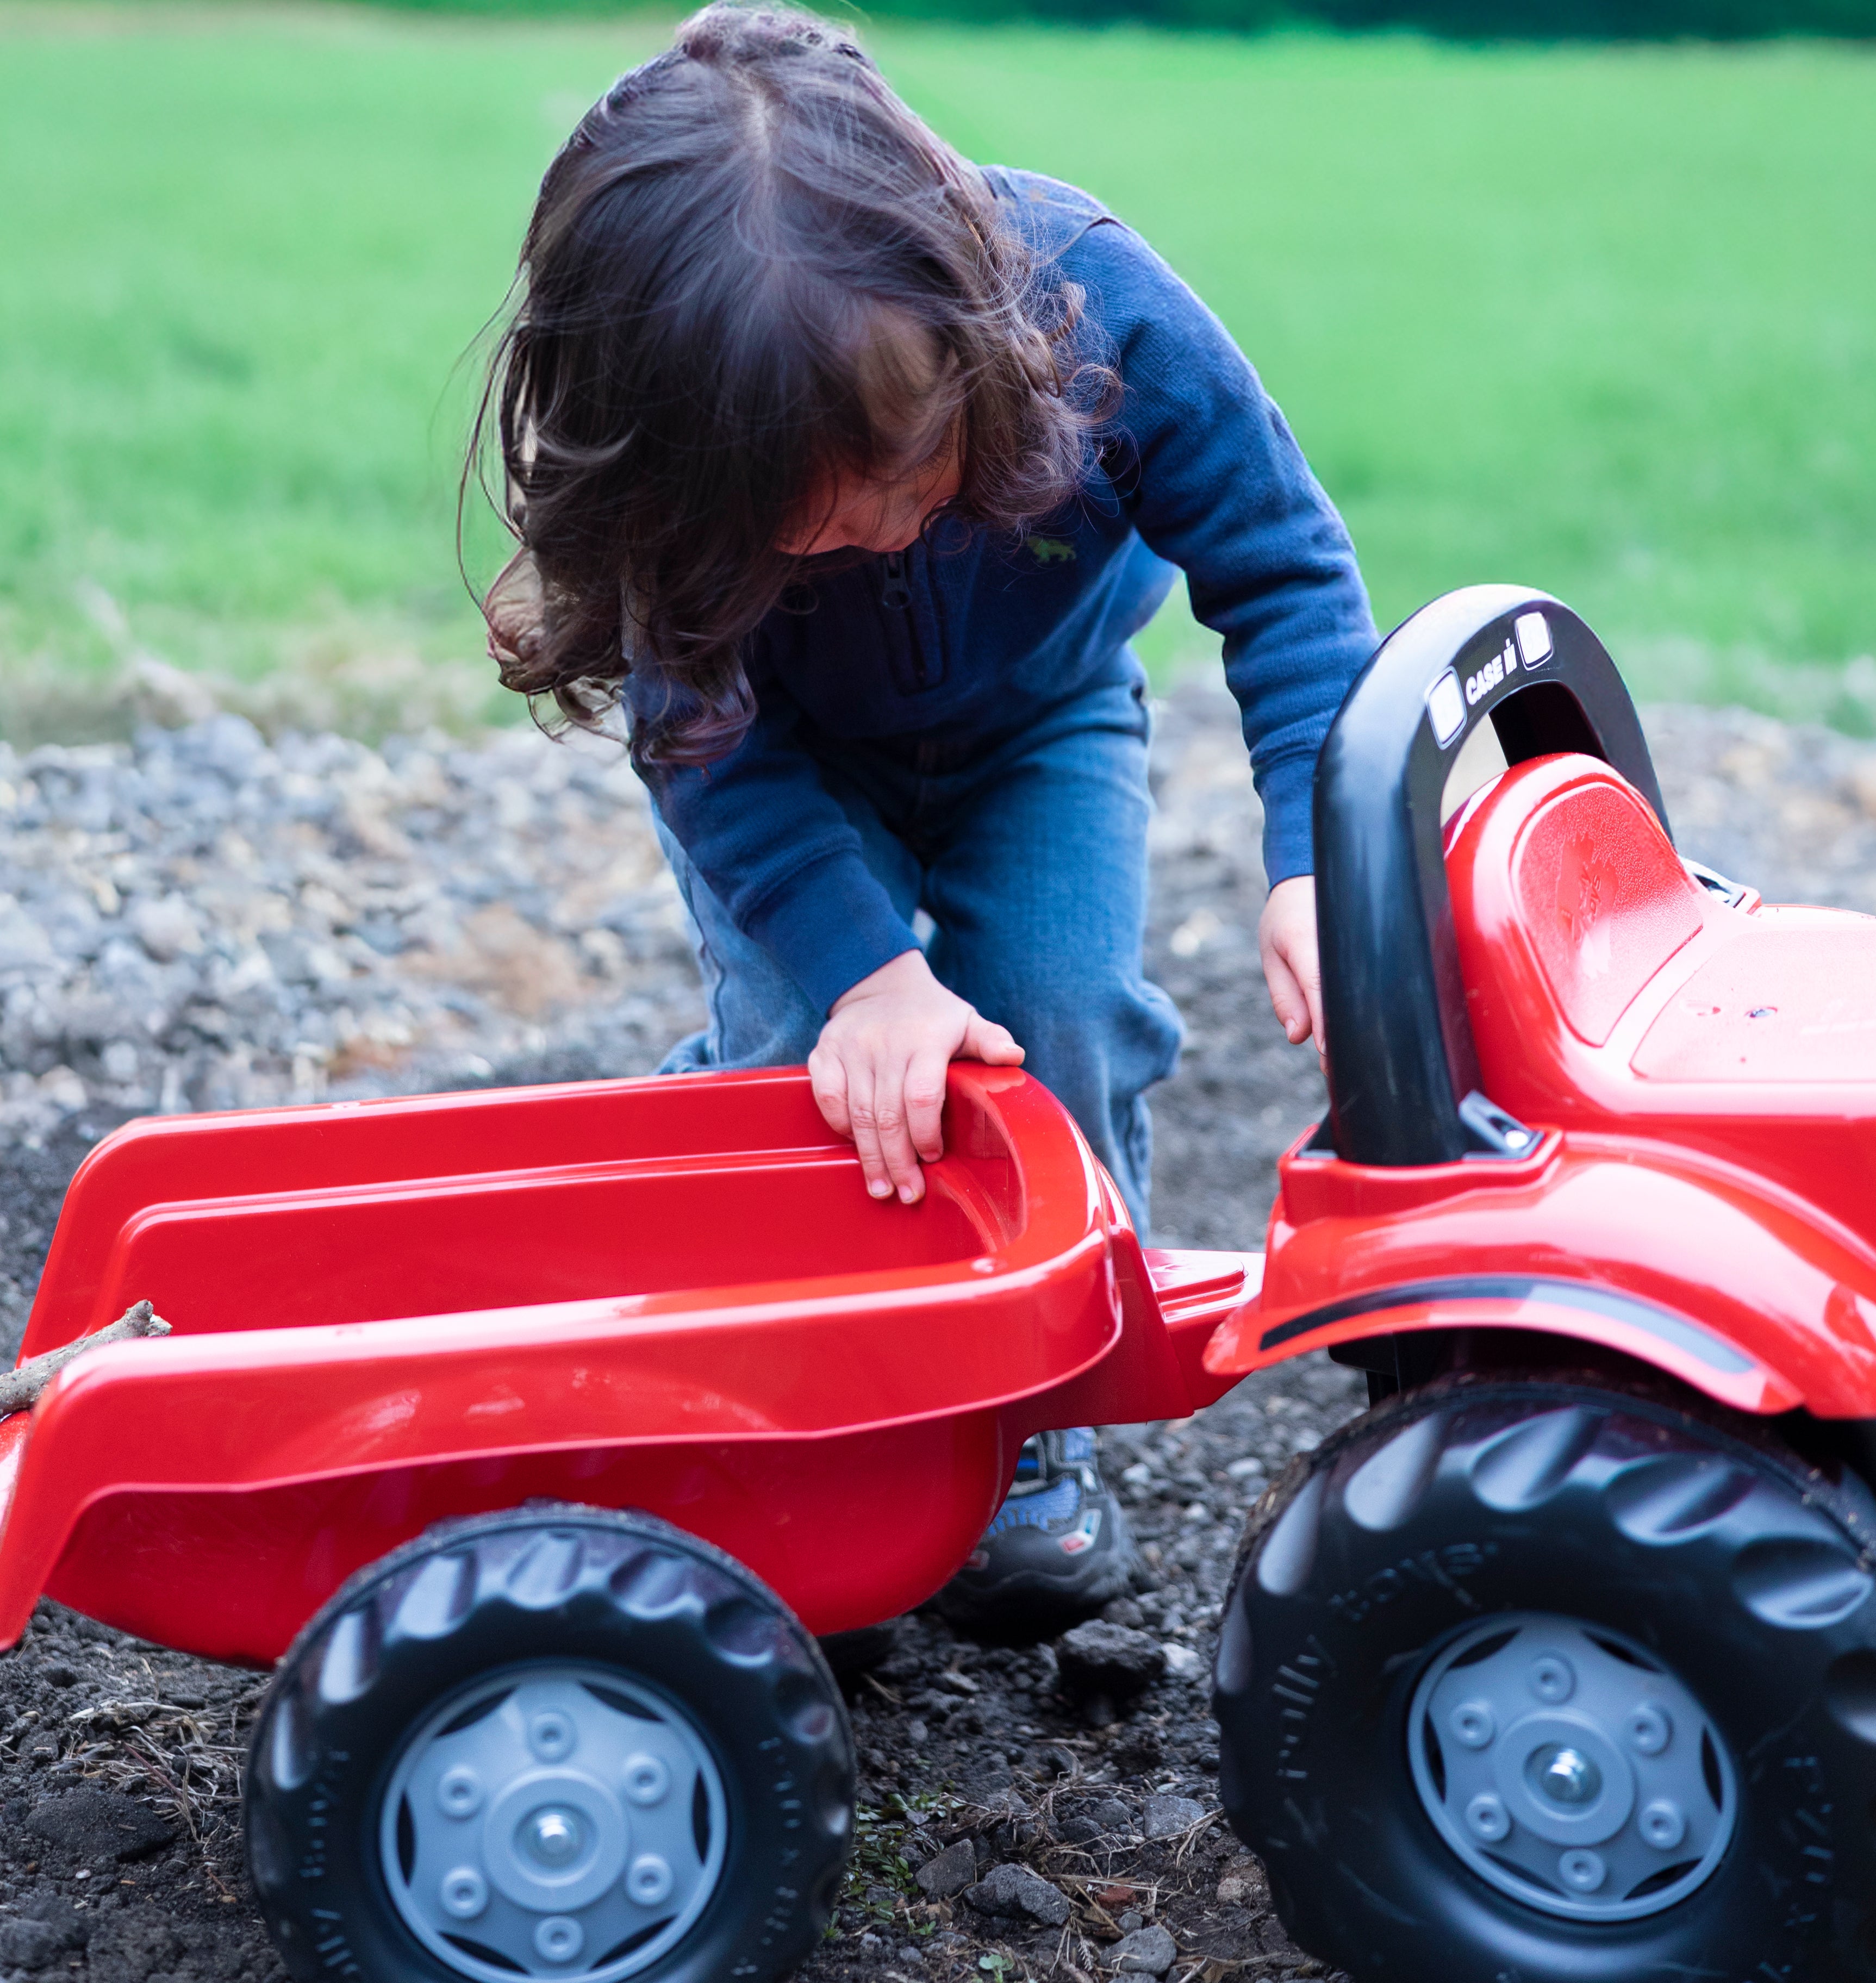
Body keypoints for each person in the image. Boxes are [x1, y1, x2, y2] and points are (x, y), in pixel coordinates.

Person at [472, 2, 1376, 1632]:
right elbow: (707, 751)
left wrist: (1323, 853)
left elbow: (1289, 578)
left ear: (976, 344)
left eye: (913, 476)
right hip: (777, 763)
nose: (884, 536)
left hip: (1047, 724)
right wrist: (868, 976)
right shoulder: (685, 477)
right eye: (810, 531)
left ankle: (1035, 1418)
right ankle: (790, 1405)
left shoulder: (1098, 304)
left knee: (1058, 1021)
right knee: (805, 1073)